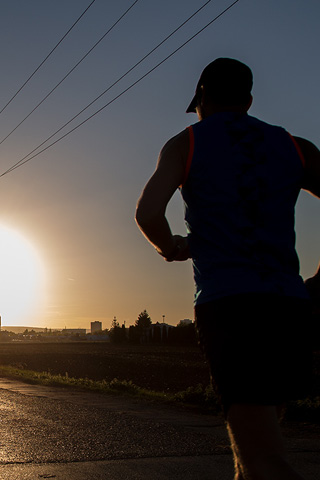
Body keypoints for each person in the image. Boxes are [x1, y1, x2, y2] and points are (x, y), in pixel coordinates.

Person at [135, 57, 320, 480]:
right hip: (291, 307)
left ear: (201, 98)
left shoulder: (187, 143)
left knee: (265, 460)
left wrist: (172, 247)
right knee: (254, 447)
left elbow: (148, 213)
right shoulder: (296, 146)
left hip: (233, 307)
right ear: (249, 99)